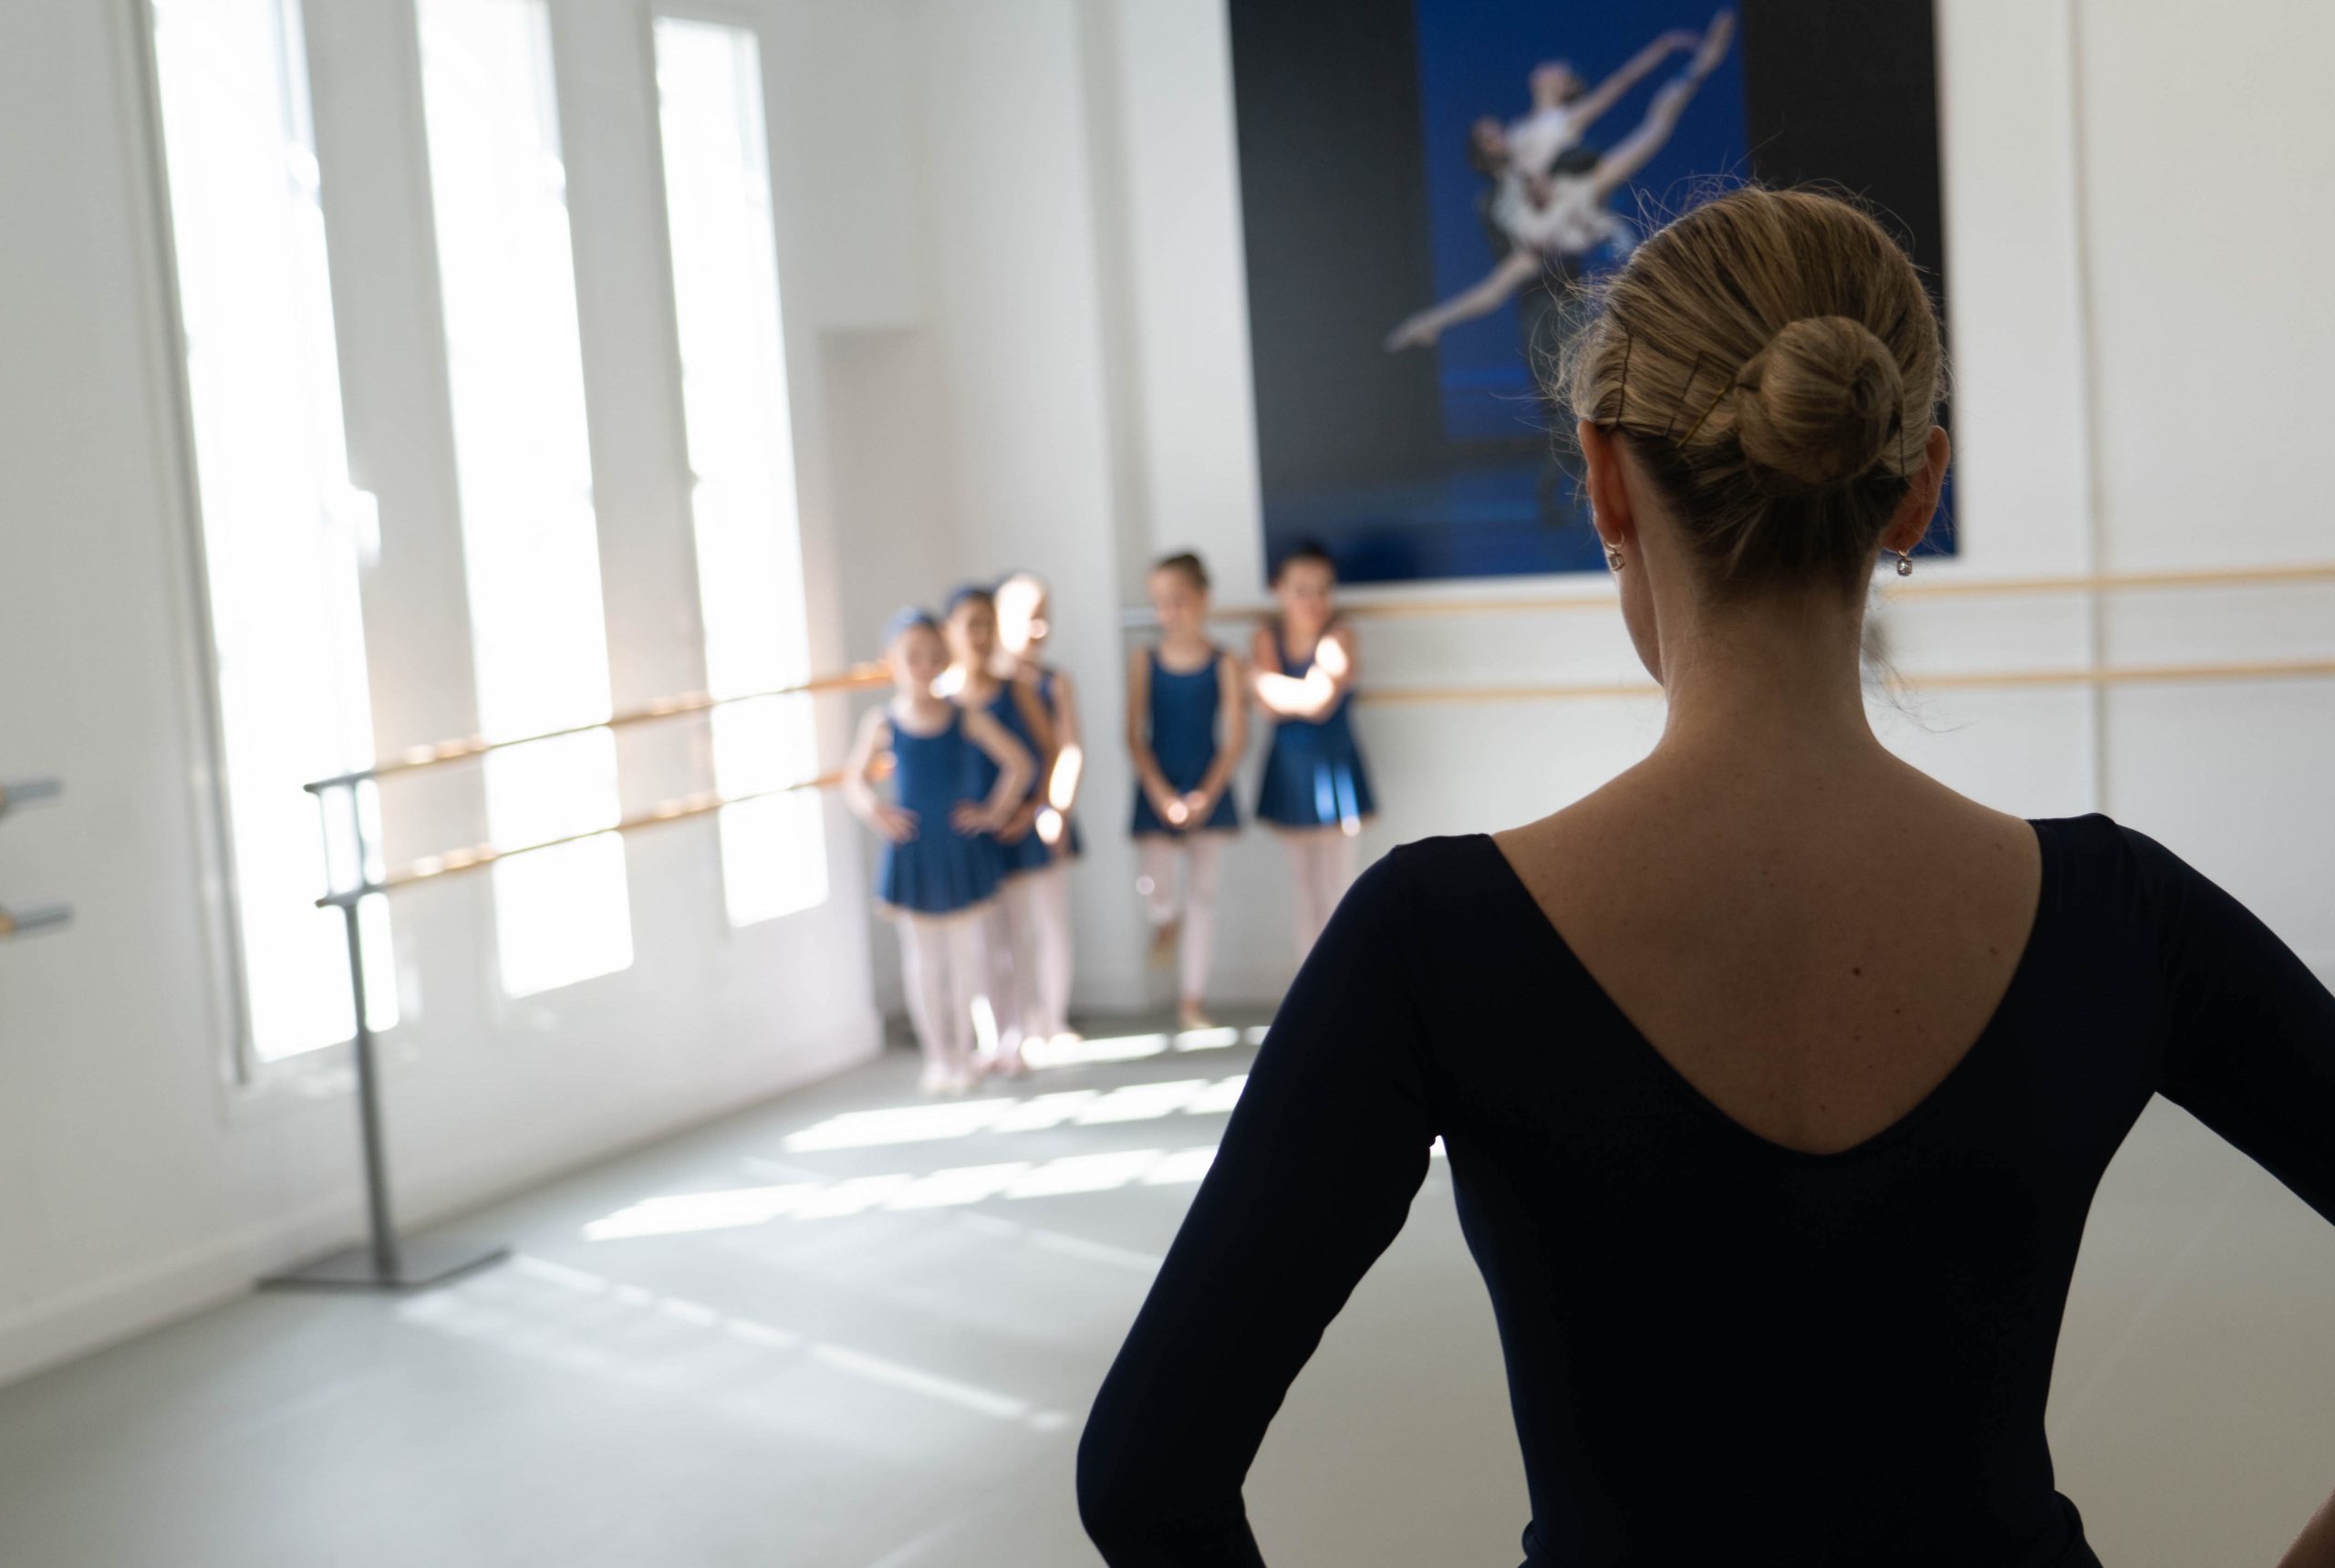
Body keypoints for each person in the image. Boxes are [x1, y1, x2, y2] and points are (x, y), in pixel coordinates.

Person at [1080, 187, 2335, 1566]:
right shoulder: (2122, 919)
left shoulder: (1427, 944)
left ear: (1606, 474)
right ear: (1918, 481)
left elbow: (1147, 1473)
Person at [1387, 10, 1736, 354]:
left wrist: (1662, 47)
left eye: (1558, 69)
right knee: (1495, 288)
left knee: (1654, 129)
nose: (1549, 67)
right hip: (1534, 210)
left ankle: (1700, 66)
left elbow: (1621, 83)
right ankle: (1428, 323)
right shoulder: (1518, 128)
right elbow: (1504, 165)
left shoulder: (1565, 118)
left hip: (1567, 200)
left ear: (1565, 85)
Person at [843, 609, 1030, 1096]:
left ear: (943, 659)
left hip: (959, 852)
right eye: (913, 657)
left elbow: (1019, 763)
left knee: (966, 958)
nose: (924, 666)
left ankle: (964, 1054)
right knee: (923, 961)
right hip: (914, 853)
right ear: (892, 662)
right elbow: (854, 779)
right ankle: (938, 1057)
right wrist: (874, 812)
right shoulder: (882, 721)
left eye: (932, 656)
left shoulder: (964, 715)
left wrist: (993, 812)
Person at [939, 584, 1056, 1077]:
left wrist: (1027, 810)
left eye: (988, 624)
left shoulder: (1016, 688)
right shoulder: (942, 696)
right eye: (972, 625)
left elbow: (1047, 754)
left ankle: (1018, 1036)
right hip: (967, 837)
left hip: (1012, 831)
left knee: (1017, 935)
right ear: (951, 631)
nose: (982, 635)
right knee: (980, 941)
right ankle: (989, 1037)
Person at [1127, 552, 1246, 1032]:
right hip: (1158, 784)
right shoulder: (1145, 661)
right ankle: (1162, 920)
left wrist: (1204, 796)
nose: (1169, 612)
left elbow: (1236, 736)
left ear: (1202, 600)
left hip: (1208, 785)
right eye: (1160, 603)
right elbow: (1133, 734)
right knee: (1158, 889)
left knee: (1203, 897)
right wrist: (1161, 795)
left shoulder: (1225, 662)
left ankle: (1191, 1000)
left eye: (1178, 600)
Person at [1251, 542, 1375, 960]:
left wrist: (1272, 689)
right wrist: (1297, 692)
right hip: (1289, 774)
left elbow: (1317, 704)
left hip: (1336, 774)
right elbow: (1268, 706)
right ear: (1279, 589)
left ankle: (1348, 978)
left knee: (1340, 888)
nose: (1314, 601)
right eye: (1302, 590)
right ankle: (1312, 982)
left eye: (1323, 589)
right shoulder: (1266, 637)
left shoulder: (1340, 635)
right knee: (1304, 890)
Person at [996, 570, 1084, 1049]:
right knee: (1008, 929)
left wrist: (1054, 808)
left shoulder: (1054, 683)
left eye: (1044, 619)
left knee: (1051, 920)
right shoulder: (987, 685)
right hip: (1001, 824)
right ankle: (1019, 1020)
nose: (1038, 630)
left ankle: (1053, 1017)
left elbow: (1069, 749)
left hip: (1044, 818)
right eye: (1028, 619)